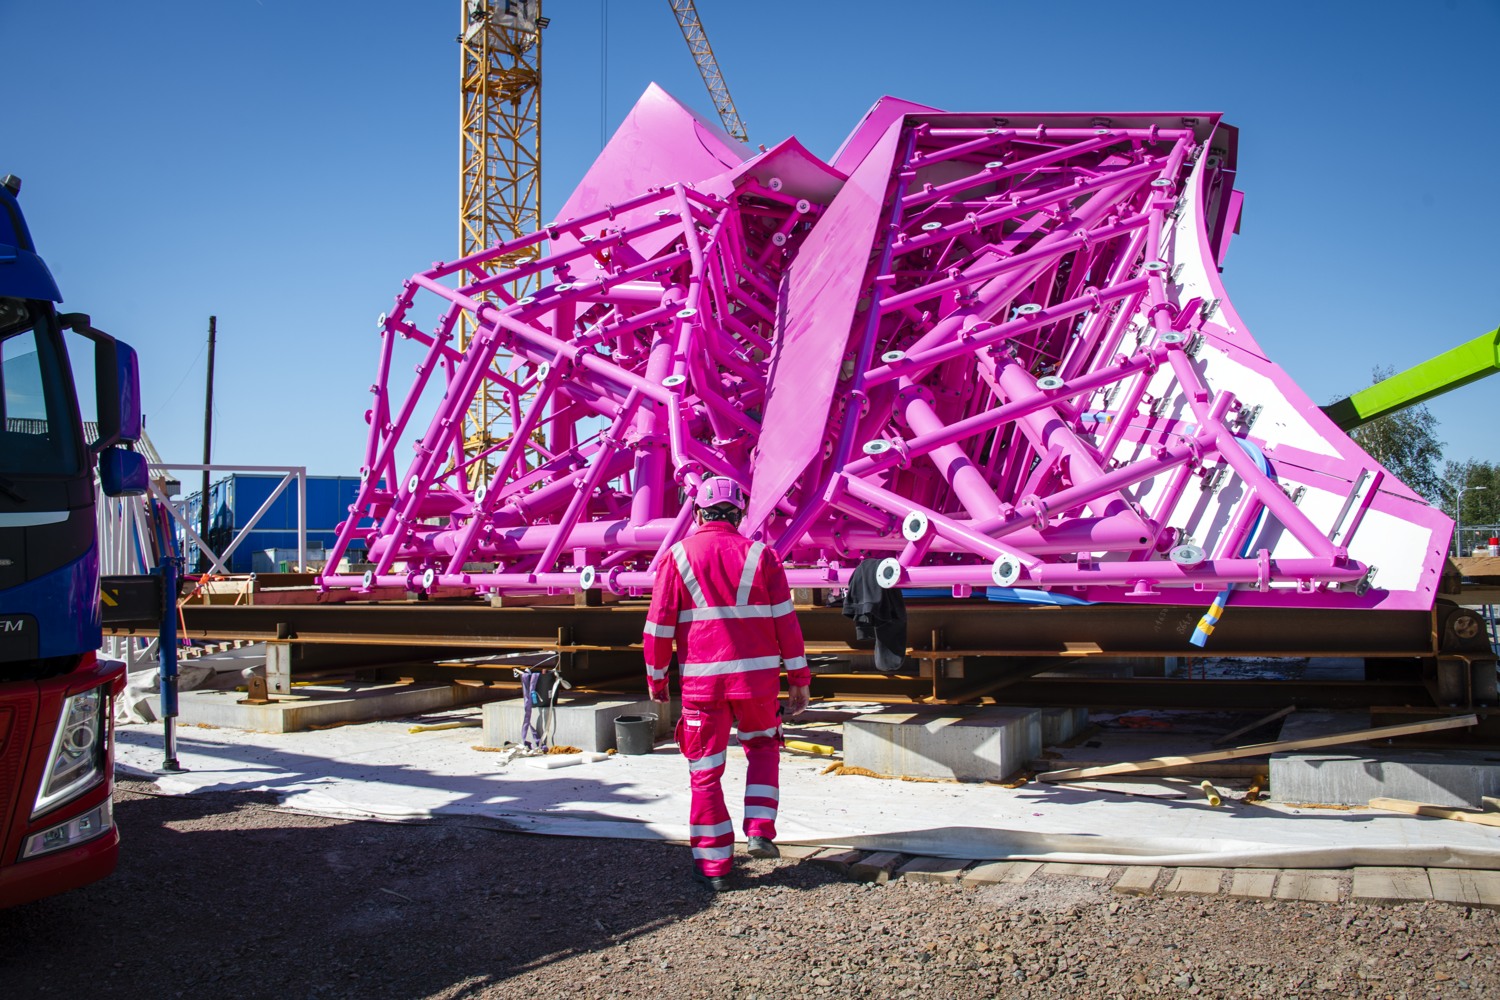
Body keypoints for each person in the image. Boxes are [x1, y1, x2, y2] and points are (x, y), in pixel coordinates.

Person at [643, 476, 811, 892]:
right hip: (756, 683)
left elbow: (658, 628)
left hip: (704, 688)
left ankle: (714, 868)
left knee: (705, 772)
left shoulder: (677, 557)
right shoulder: (762, 555)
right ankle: (759, 830)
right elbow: (786, 623)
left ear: (697, 512)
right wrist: (799, 678)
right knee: (763, 747)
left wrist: (657, 677)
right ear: (739, 515)